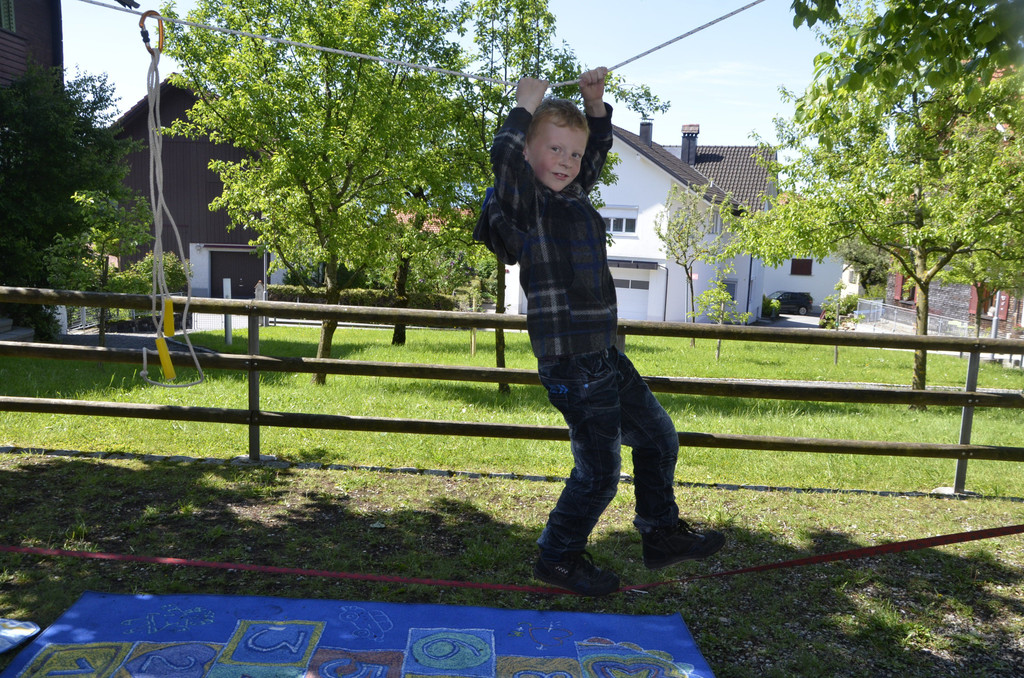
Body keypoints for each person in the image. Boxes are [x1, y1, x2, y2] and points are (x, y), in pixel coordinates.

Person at [474, 68, 725, 596]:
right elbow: (504, 159)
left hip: (603, 355)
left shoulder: (571, 194)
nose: (567, 161)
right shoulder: (525, 204)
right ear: (528, 153)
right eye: (554, 150)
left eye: (572, 153)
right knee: (599, 474)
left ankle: (660, 534)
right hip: (571, 361)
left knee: (658, 438)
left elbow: (595, 153)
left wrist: (595, 105)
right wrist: (524, 105)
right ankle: (558, 558)